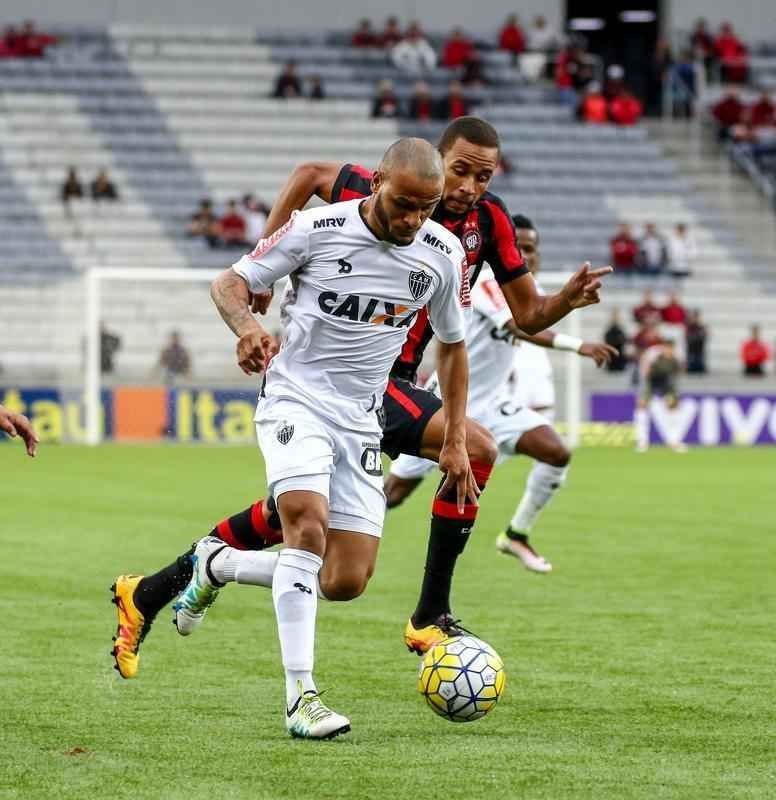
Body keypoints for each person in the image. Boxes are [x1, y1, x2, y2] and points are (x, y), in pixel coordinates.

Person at [110, 117, 611, 677]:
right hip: (336, 382)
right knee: (324, 509)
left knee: (308, 529)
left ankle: (160, 587)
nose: (468, 186)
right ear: (434, 160)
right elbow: (307, 175)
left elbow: (526, 315)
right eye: (460, 170)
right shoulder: (373, 195)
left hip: (395, 383)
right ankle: (429, 615)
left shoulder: (483, 223)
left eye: (482, 176)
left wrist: (564, 302)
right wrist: (264, 267)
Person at [133, 139, 472, 740]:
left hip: (363, 418)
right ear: (377, 184)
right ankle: (301, 699)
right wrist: (246, 327)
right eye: (404, 204)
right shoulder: (318, 228)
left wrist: (456, 440)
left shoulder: (441, 254)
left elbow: (451, 345)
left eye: (427, 207)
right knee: (306, 527)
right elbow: (229, 282)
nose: (413, 219)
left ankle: (218, 564)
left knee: (345, 580)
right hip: (297, 397)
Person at [383, 216, 617, 574]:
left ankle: (516, 534)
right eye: (520, 248)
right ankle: (327, 523)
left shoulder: (524, 294)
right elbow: (519, 327)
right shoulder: (486, 282)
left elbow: (529, 317)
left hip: (493, 402)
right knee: (393, 494)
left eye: (533, 249)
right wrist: (579, 344)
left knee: (555, 452)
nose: (528, 255)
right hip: (450, 404)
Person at [635, 340, 687, 453]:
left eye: (671, 349)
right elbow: (645, 372)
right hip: (650, 381)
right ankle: (641, 441)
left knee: (673, 406)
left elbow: (679, 373)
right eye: (667, 348)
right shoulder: (653, 354)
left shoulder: (676, 357)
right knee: (642, 406)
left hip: (666, 382)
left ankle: (674, 440)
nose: (669, 351)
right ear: (664, 347)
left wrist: (672, 394)